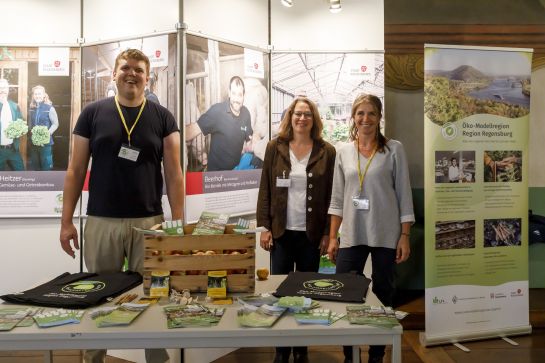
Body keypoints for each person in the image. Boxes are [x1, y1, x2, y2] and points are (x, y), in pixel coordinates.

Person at [59, 49, 184, 363]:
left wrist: (178, 224)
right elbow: (75, 170)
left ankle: (156, 358)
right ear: (113, 74)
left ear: (147, 77)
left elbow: (174, 174)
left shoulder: (163, 117)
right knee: (99, 296)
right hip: (102, 220)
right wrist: (66, 222)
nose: (132, 74)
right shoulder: (92, 113)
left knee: (153, 296)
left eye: (139, 70)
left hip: (150, 222)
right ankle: (94, 357)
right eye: (125, 68)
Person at [327, 94, 414, 363]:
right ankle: (350, 354)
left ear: (379, 117)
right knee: (344, 291)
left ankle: (377, 353)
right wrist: (332, 237)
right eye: (360, 113)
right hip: (353, 232)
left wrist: (405, 235)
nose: (366, 119)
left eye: (372, 113)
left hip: (386, 233)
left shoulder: (393, 149)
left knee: (384, 292)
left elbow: (404, 194)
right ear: (353, 117)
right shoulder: (343, 150)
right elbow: (338, 198)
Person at [257, 96, 336, 363]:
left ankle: (301, 350)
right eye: (298, 114)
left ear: (314, 120)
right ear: (290, 117)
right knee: (281, 292)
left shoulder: (326, 150)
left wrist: (327, 232)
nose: (302, 119)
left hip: (310, 235)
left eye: (308, 114)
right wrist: (264, 227)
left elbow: (331, 196)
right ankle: (281, 350)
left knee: (305, 292)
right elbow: (265, 189)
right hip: (281, 232)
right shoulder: (274, 147)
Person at [186, 76, 253, 171]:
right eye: (234, 93)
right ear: (229, 93)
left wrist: (252, 144)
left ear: (244, 96)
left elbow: (249, 139)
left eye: (240, 94)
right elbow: (193, 129)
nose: (237, 99)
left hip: (236, 174)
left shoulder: (246, 113)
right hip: (216, 176)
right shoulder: (217, 112)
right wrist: (173, 137)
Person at [27, 85, 59, 171]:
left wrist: (47, 133)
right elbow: (30, 125)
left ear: (44, 95)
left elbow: (55, 124)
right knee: (35, 168)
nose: (37, 96)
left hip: (46, 144)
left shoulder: (50, 108)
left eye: (39, 94)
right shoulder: (31, 109)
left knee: (46, 168)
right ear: (33, 96)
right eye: (36, 94)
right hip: (34, 143)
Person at [0, 78, 25, 171]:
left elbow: (21, 122)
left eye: (5, 88)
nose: (2, 90)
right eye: (0, 88)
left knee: (21, 174)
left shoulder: (14, 106)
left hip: (13, 149)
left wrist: (20, 131)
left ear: (8, 90)